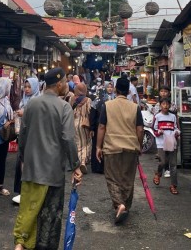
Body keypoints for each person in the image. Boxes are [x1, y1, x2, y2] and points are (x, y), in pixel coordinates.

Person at [13, 67, 82, 250]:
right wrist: (76, 166)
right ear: (59, 84)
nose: (67, 84)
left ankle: (22, 244)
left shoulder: (31, 105)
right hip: (52, 173)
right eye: (65, 81)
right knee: (50, 217)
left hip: (31, 170)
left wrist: (23, 160)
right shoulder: (64, 107)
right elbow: (68, 138)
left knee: (29, 213)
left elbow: (23, 137)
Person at [95, 77, 143, 225]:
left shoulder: (107, 105)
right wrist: (139, 145)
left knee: (112, 178)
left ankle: (119, 204)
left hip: (111, 147)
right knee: (127, 179)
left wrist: (98, 146)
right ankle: (125, 206)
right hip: (131, 147)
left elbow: (102, 127)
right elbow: (140, 129)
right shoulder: (135, 107)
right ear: (129, 90)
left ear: (115, 89)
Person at [13, 77, 41, 200]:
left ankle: (31, 189)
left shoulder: (38, 100)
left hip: (33, 136)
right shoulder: (23, 100)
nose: (27, 89)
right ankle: (23, 189)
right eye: (25, 87)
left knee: (30, 161)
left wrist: (24, 113)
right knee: (21, 161)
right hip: (23, 134)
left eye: (30, 87)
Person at [152, 97, 180, 194]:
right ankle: (158, 173)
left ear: (170, 106)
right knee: (162, 162)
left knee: (173, 165)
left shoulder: (173, 117)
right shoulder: (157, 116)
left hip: (172, 142)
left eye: (167, 104)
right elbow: (154, 129)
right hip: (161, 143)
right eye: (163, 104)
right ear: (160, 105)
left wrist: (177, 133)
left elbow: (176, 128)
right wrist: (158, 132)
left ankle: (173, 185)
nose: (165, 106)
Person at [72, 82, 91, 173]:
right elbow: (89, 112)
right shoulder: (87, 100)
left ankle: (78, 162)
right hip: (84, 124)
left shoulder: (72, 99)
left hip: (74, 124)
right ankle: (83, 162)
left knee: (78, 144)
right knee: (86, 144)